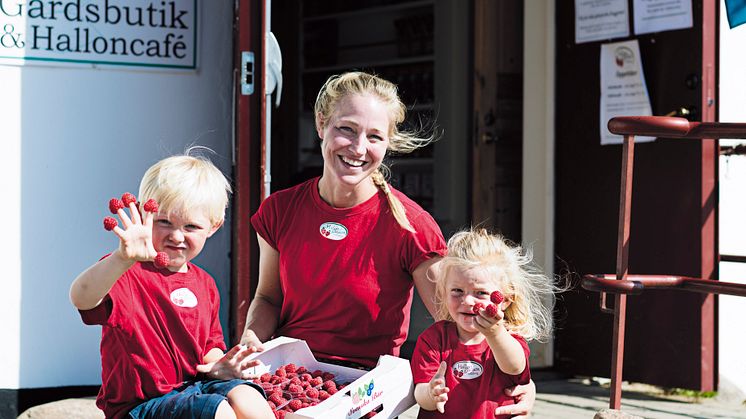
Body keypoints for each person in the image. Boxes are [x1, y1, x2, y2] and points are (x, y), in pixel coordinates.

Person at [239, 71, 536, 416]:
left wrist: (518, 379)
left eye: (374, 136)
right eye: (346, 129)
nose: (358, 147)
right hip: (290, 377)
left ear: (388, 143)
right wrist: (251, 343)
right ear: (321, 124)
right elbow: (267, 298)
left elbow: (460, 319)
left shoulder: (411, 225)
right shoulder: (279, 209)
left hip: (367, 386)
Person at [69, 150, 274, 419]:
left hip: (193, 387)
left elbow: (209, 346)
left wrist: (219, 366)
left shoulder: (205, 283)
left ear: (213, 226)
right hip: (140, 406)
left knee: (251, 401)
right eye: (164, 221)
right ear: (145, 214)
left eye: (191, 227)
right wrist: (120, 259)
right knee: (219, 412)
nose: (176, 236)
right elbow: (82, 298)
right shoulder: (126, 271)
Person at [411, 228, 558, 418]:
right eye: (457, 290)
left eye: (480, 293)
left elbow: (514, 367)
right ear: (443, 293)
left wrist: (494, 333)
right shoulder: (434, 339)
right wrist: (431, 393)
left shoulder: (508, 338)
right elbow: (420, 391)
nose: (467, 301)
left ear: (505, 299)